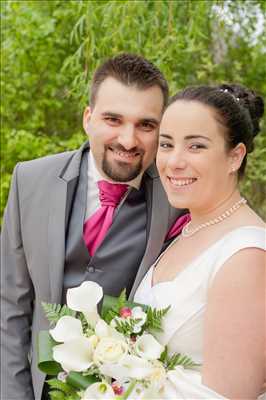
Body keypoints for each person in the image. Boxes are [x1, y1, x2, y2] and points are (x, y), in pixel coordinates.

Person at [0, 53, 183, 400]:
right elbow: (9, 305)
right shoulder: (31, 179)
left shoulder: (177, 200)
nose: (128, 141)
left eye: (146, 125)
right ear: (88, 118)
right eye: (113, 119)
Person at [134, 84, 265, 399]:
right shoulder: (188, 230)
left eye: (196, 146)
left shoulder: (247, 256)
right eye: (166, 144)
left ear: (235, 157)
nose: (174, 162)